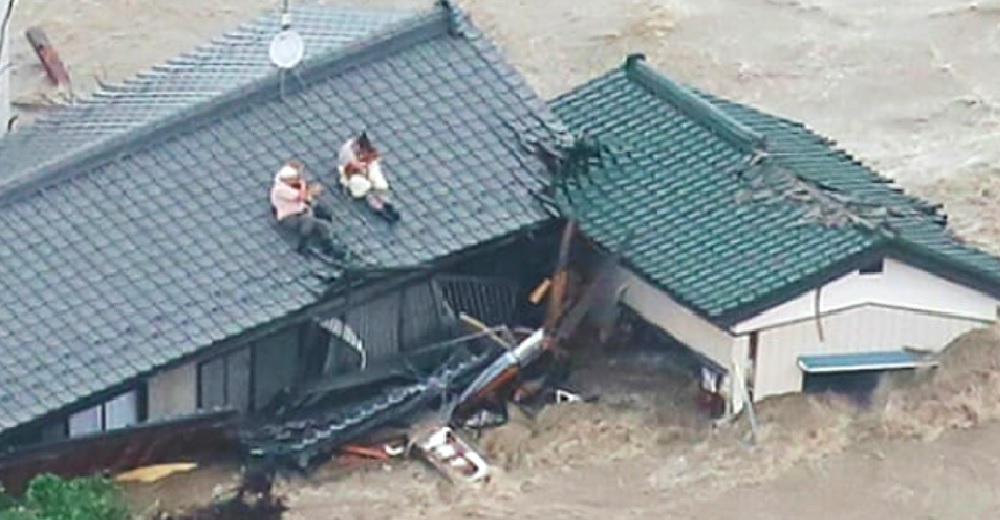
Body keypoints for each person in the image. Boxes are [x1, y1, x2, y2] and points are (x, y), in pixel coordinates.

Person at [269, 160, 343, 257]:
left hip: (302, 214)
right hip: (289, 217)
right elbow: (301, 196)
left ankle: (328, 248)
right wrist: (305, 186)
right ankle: (302, 245)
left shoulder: (293, 185)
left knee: (323, 226)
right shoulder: (280, 189)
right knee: (307, 220)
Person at [337, 132, 399, 222]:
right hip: (349, 174)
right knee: (366, 188)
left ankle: (387, 203)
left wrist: (366, 166)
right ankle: (379, 209)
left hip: (363, 170)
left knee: (376, 182)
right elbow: (348, 169)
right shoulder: (347, 153)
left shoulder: (365, 149)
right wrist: (361, 169)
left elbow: (374, 156)